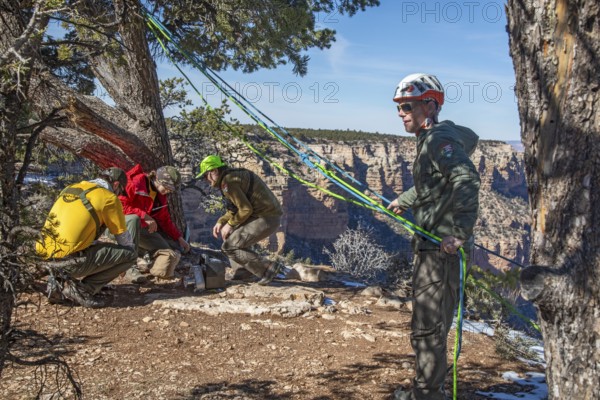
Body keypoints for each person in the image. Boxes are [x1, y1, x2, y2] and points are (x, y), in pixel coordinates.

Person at [387, 73, 481, 400]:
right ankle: (429, 391)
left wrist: (459, 233)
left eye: (407, 106)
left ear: (429, 104)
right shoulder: (432, 140)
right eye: (399, 107)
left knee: (427, 330)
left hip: (439, 251)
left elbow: (466, 179)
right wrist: (405, 200)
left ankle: (427, 395)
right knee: (429, 327)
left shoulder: (439, 139)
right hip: (431, 246)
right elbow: (432, 183)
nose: (401, 113)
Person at [36, 167, 140, 308]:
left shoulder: (71, 188)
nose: (119, 193)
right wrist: (122, 262)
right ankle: (83, 290)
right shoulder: (108, 198)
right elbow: (123, 239)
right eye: (120, 190)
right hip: (70, 262)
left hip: (44, 256)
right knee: (130, 254)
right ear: (115, 185)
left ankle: (56, 282)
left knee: (73, 242)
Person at [196, 155, 283, 285]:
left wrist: (230, 224)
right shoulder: (230, 177)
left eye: (205, 175)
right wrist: (221, 221)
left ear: (214, 171)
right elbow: (235, 208)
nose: (205, 180)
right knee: (232, 238)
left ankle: (267, 268)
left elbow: (245, 209)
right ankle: (245, 272)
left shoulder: (228, 182)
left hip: (265, 218)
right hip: (265, 216)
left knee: (229, 247)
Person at [119, 164, 191, 283]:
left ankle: (144, 258)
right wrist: (143, 215)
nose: (168, 191)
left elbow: (164, 219)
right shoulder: (137, 183)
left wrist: (179, 238)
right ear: (158, 180)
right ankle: (127, 268)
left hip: (141, 229)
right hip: (120, 225)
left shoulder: (159, 196)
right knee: (134, 220)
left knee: (166, 250)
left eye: (171, 189)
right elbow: (118, 206)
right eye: (167, 187)